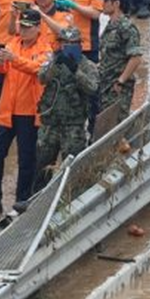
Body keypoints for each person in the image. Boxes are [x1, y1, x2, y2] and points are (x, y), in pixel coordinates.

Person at [0, 8, 51, 215]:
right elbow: (0, 69)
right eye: (22, 26)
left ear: (37, 27)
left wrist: (13, 59)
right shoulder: (13, 43)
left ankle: (22, 200)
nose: (24, 31)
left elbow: (38, 69)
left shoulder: (45, 48)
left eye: (28, 27)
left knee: (26, 159)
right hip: (7, 109)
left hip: (28, 112)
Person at [33, 27, 98, 193]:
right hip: (50, 126)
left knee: (73, 170)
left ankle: (72, 203)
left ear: (79, 45)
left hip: (73, 127)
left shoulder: (87, 65)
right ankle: (37, 204)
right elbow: (41, 78)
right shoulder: (54, 60)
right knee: (42, 168)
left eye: (73, 43)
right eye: (65, 43)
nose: (68, 46)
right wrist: (55, 63)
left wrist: (75, 69)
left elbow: (92, 88)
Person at [96, 0, 143, 123]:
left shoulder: (126, 27)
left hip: (117, 88)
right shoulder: (110, 26)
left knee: (116, 127)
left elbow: (136, 58)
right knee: (106, 125)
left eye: (105, 1)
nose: (102, 4)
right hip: (106, 85)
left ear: (116, 3)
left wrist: (121, 81)